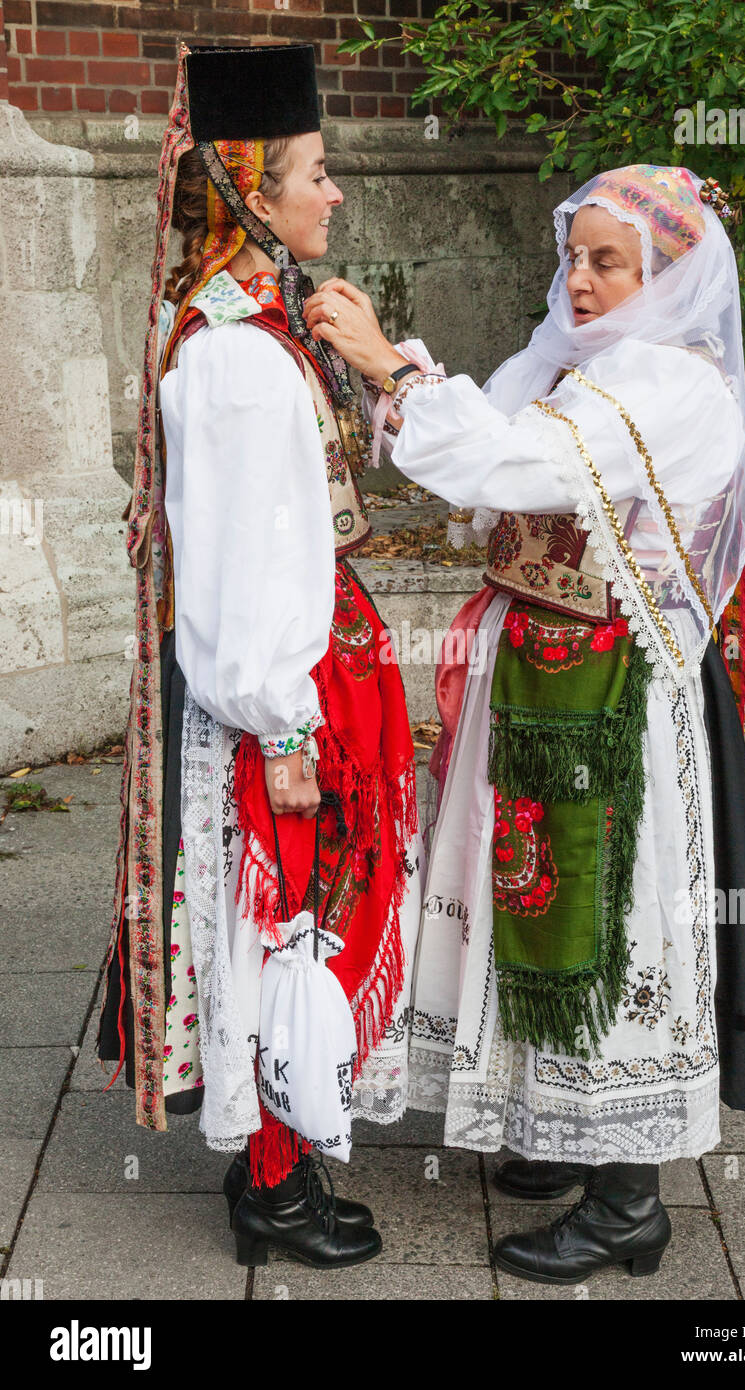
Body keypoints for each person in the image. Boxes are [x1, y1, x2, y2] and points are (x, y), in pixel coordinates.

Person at [303, 164, 745, 1285]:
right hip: (540, 681)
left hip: (612, 702)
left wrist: (392, 369)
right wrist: (405, 382)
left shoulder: (669, 384)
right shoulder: (591, 367)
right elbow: (485, 477)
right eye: (572, 257)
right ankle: (563, 1124)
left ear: (667, 277)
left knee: (609, 919)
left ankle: (627, 1200)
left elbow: (517, 463)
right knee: (527, 896)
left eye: (608, 263)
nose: (578, 280)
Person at [98, 42, 422, 1270]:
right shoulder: (232, 353)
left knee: (306, 915)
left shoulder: (269, 316)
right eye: (315, 172)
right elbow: (237, 560)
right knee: (286, 921)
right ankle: (274, 1189)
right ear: (250, 191)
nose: (333, 192)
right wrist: (280, 721)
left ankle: (285, 1161)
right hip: (282, 692)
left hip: (314, 667)